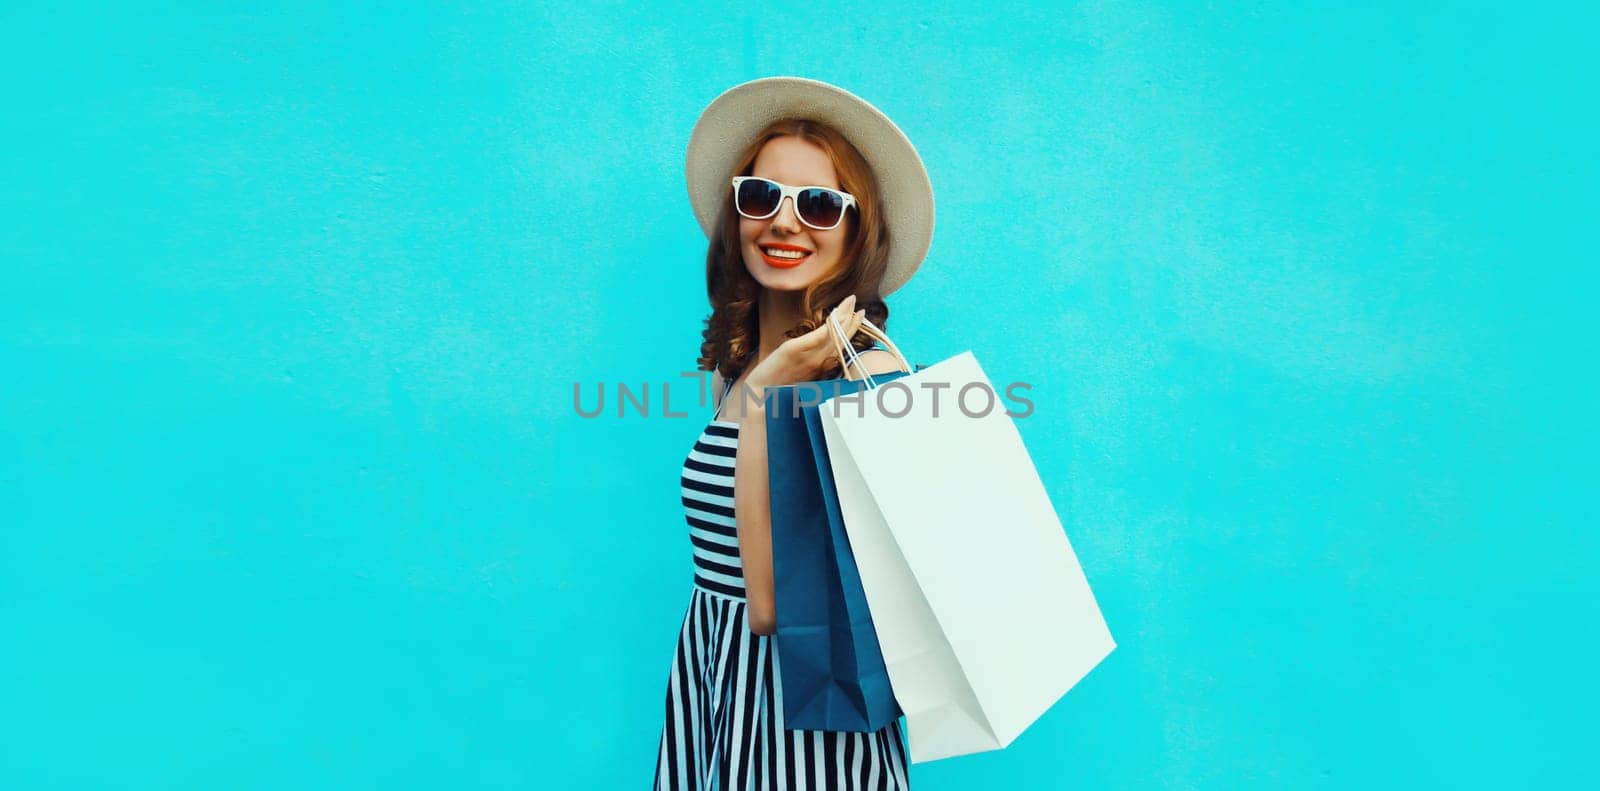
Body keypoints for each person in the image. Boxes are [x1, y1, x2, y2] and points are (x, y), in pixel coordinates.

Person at [655, 77, 936, 790]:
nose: (784, 222)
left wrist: (775, 387)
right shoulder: (733, 368)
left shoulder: (869, 380)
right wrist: (767, 374)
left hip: (808, 722)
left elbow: (773, 603)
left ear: (855, 229)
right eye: (760, 196)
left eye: (817, 203)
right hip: (717, 680)